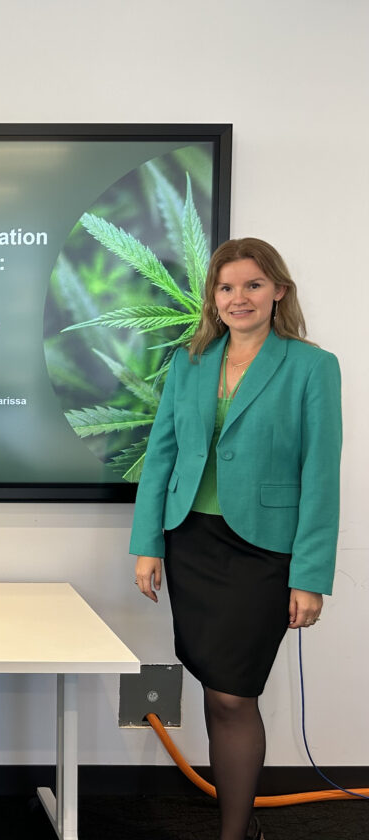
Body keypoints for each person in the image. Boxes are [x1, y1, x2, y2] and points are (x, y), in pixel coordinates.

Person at [130, 238, 341, 840]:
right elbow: (162, 456)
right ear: (212, 298)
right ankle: (240, 820)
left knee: (233, 693)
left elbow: (320, 474)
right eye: (226, 287)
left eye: (252, 285)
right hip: (192, 542)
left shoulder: (311, 366)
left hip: (263, 552)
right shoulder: (190, 363)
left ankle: (233, 832)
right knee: (214, 682)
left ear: (278, 290)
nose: (238, 298)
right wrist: (148, 542)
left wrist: (310, 575)